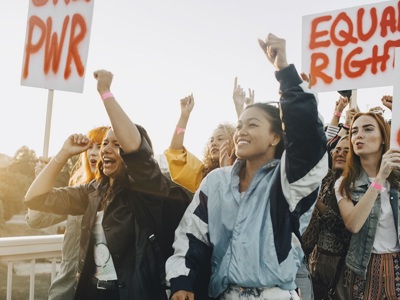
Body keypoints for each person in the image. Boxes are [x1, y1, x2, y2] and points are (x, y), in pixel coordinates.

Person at [165, 33, 328, 300]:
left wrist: (285, 71)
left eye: (253, 125)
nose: (241, 131)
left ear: (276, 137)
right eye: (240, 125)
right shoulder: (215, 181)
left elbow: (310, 141)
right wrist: (182, 280)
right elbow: (191, 235)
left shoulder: (287, 182)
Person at [24, 69, 190, 300]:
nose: (106, 149)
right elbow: (35, 198)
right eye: (104, 143)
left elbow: (135, 149)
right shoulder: (92, 191)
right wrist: (63, 154)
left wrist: (104, 92)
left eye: (117, 143)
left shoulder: (149, 188)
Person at [25, 126, 109, 300]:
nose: (93, 152)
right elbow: (36, 220)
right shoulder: (78, 194)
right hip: (64, 291)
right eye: (90, 147)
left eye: (100, 146)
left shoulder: (116, 197)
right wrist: (41, 177)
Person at [335, 111, 400, 299]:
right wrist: (379, 178)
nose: (359, 135)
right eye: (354, 132)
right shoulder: (344, 184)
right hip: (364, 267)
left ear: (382, 138)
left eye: (368, 129)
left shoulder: (397, 179)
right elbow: (353, 224)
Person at [302, 136, 352, 299]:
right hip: (313, 262)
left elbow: (348, 231)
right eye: (337, 149)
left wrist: (319, 204)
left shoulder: (355, 186)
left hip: (340, 269)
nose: (340, 153)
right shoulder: (324, 179)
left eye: (346, 150)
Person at [164, 94, 236, 193]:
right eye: (211, 140)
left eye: (220, 139)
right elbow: (175, 152)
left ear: (234, 142)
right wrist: (184, 116)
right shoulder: (204, 175)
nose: (213, 143)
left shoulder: (244, 169)